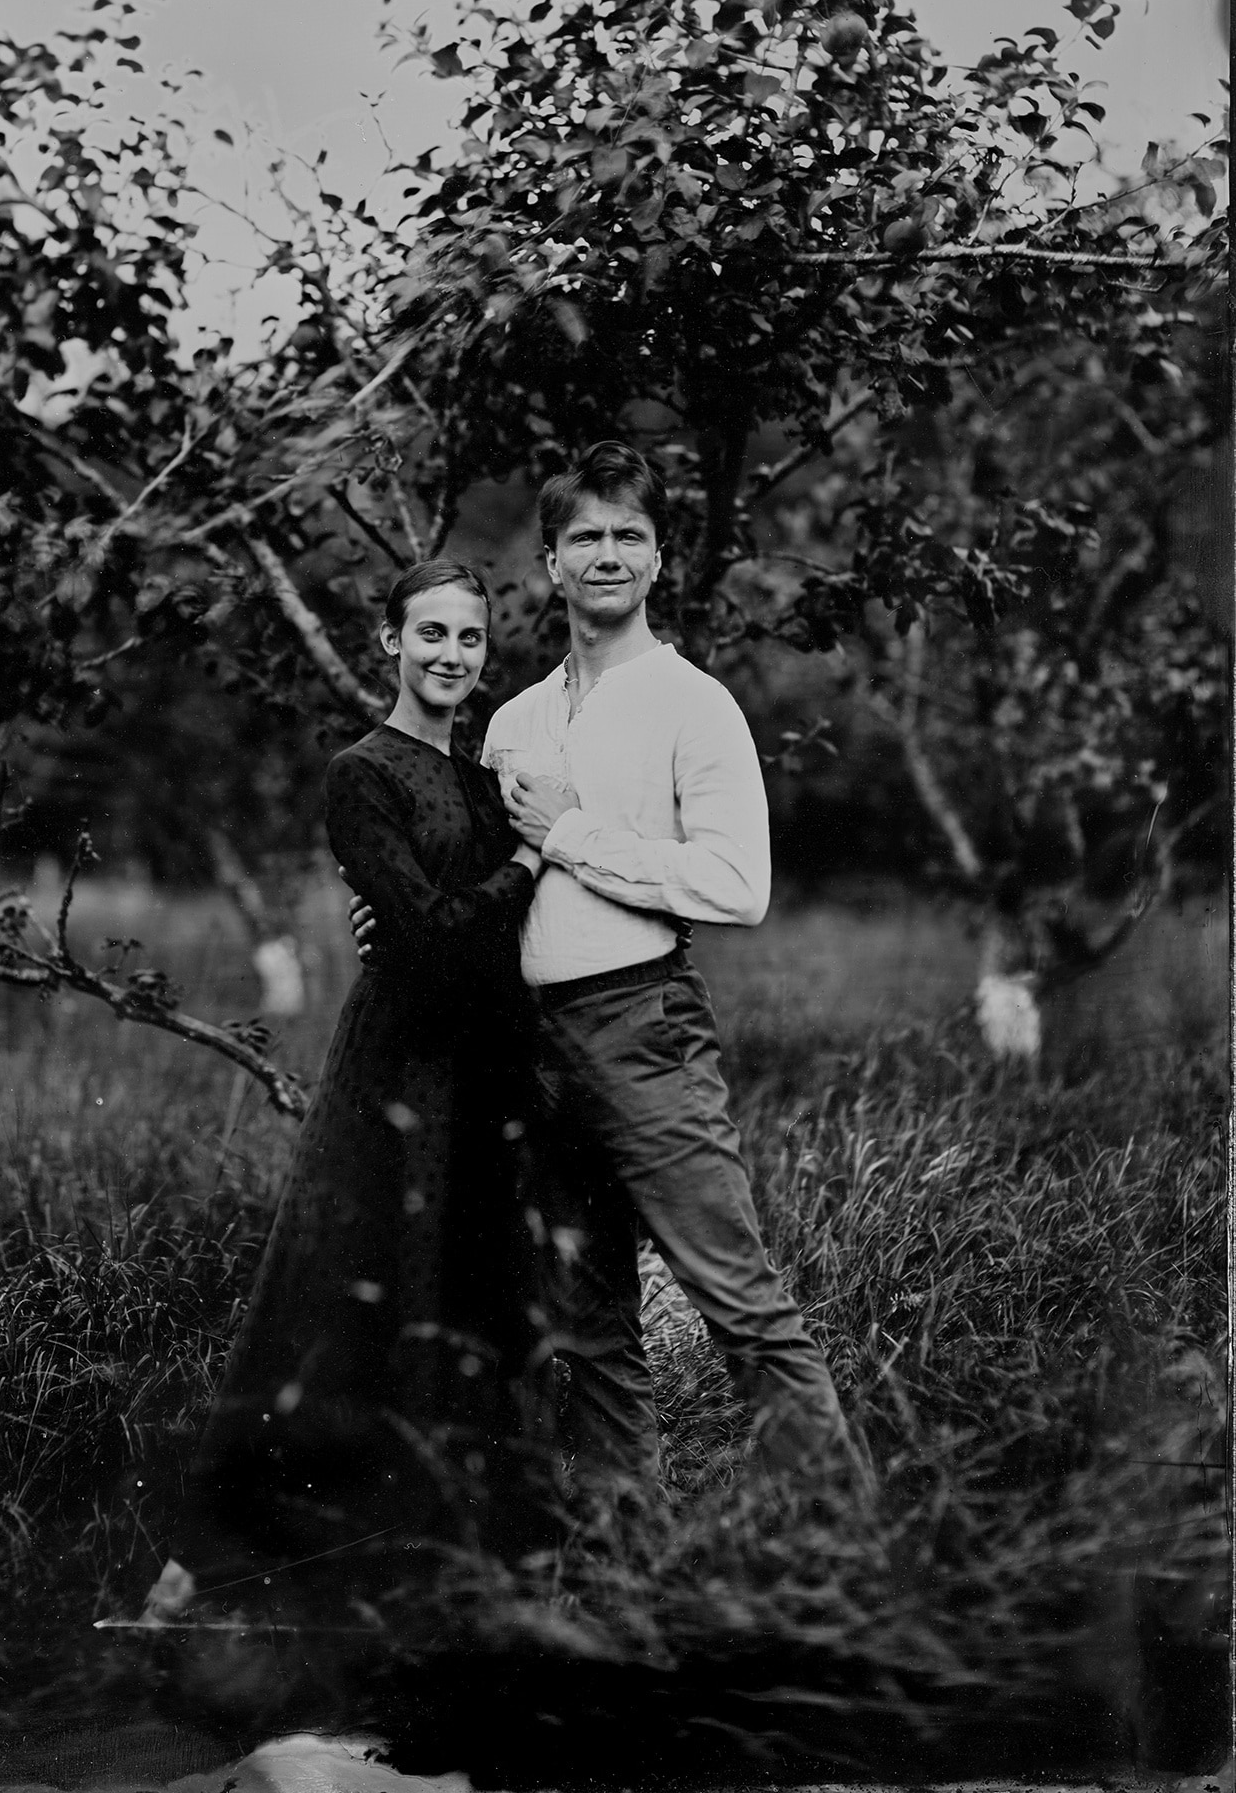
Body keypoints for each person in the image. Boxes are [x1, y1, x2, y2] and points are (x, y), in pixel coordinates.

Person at [355, 443, 866, 1500]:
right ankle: (623, 1580)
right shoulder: (512, 721)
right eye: (583, 535)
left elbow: (737, 885)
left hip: (642, 1024)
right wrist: (396, 927)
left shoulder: (693, 702)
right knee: (587, 1330)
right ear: (549, 559)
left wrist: (578, 834)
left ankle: (852, 1564)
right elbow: (479, 891)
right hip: (526, 1045)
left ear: (659, 558)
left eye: (627, 534)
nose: (606, 554)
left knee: (740, 1302)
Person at [145, 559, 556, 1627]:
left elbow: (468, 928)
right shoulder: (360, 771)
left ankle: (445, 1568)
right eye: (430, 634)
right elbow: (423, 932)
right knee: (354, 1287)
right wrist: (523, 867)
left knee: (470, 1297)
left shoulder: (482, 782)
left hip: (484, 1063)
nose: (450, 656)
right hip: (399, 1062)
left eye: (468, 639)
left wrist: (503, 876)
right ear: (389, 641)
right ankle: (242, 1564)